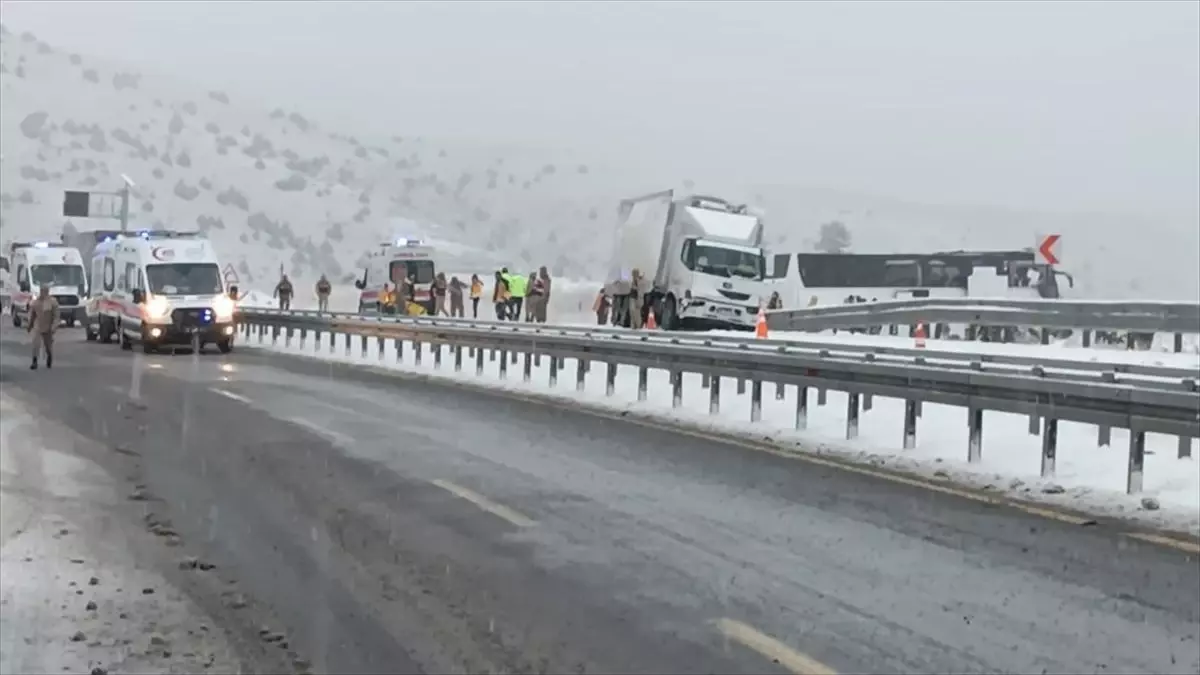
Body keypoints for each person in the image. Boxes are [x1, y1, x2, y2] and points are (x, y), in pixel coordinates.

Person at [27, 285, 60, 370]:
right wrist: (29, 326)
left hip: (48, 326)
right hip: (38, 325)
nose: (43, 292)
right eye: (41, 291)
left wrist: (54, 327)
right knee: (35, 344)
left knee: (48, 346)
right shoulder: (36, 302)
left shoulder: (53, 302)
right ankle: (34, 361)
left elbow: (56, 317)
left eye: (45, 291)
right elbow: (32, 315)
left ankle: (49, 356)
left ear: (48, 291)